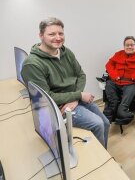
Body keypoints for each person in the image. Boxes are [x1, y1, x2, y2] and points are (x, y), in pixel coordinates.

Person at [21, 17, 110, 148]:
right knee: (97, 124)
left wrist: (76, 97)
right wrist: (79, 96)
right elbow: (47, 97)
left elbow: (81, 75)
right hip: (59, 107)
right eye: (51, 34)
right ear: (41, 35)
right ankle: (101, 162)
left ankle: (105, 154)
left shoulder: (65, 52)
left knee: (106, 123)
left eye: (60, 33)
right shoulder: (32, 64)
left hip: (74, 98)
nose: (58, 37)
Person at [103, 36, 135, 122]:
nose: (129, 47)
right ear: (124, 46)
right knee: (108, 84)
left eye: (132, 45)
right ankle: (112, 108)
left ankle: (122, 109)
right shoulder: (118, 54)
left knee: (131, 88)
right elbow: (109, 64)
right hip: (116, 81)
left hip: (130, 82)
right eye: (127, 45)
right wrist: (114, 75)